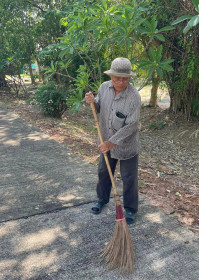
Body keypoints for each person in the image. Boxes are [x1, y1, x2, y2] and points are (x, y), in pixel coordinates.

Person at [85, 57, 141, 224]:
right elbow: (98, 108)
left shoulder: (134, 96)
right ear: (111, 76)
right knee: (103, 172)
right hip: (105, 141)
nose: (121, 82)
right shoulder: (103, 88)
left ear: (129, 78)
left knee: (128, 177)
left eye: (125, 78)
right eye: (117, 78)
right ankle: (102, 199)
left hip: (126, 146)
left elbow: (132, 125)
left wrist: (112, 142)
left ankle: (130, 208)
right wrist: (92, 102)